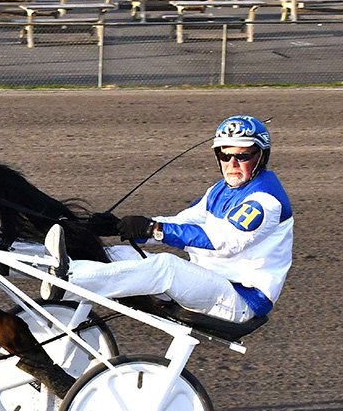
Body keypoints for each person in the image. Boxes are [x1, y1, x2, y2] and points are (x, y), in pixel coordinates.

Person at [41, 115, 293, 323]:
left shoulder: (265, 200)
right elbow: (182, 223)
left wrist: (154, 229)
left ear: (261, 156)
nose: (232, 164)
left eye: (243, 156)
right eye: (225, 156)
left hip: (240, 299)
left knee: (166, 267)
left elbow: (225, 241)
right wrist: (120, 227)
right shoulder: (220, 190)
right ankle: (43, 272)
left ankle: (68, 280)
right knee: (118, 255)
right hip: (208, 283)